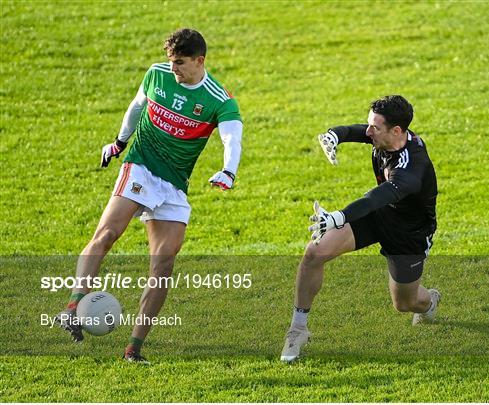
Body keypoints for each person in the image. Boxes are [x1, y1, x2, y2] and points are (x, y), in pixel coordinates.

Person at [54, 28, 243, 363]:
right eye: (172, 62)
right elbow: (136, 107)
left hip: (173, 185)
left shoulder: (219, 99)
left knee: (164, 264)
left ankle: (134, 348)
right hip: (140, 165)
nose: (174, 69)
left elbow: (232, 138)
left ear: (200, 61)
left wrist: (228, 170)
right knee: (108, 234)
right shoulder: (157, 74)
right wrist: (119, 143)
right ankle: (72, 306)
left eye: (181, 63)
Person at [280, 95, 439, 362]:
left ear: (396, 131)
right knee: (315, 252)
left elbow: (376, 197)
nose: (368, 133)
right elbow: (356, 131)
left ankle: (430, 301)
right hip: (378, 215)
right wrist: (335, 135)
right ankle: (297, 329)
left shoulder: (411, 168)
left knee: (405, 304)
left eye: (374, 128)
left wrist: (338, 217)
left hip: (407, 234)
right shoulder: (388, 135)